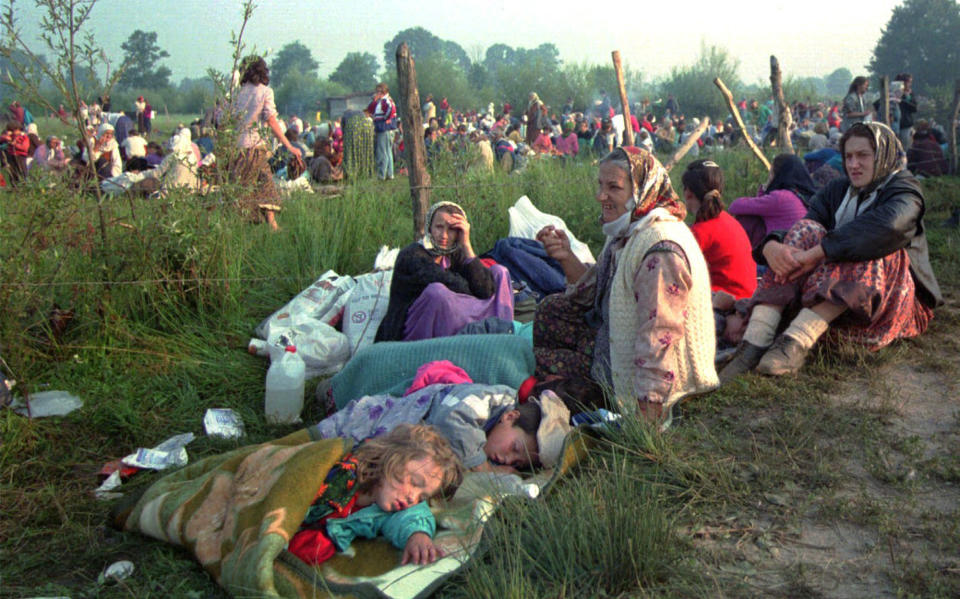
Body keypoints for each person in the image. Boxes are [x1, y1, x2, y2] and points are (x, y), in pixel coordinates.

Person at [720, 122, 942, 381]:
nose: (853, 164)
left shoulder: (905, 189)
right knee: (806, 229)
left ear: (883, 155)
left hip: (889, 307)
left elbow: (889, 226)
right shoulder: (839, 190)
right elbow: (806, 224)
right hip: (838, 306)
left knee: (874, 244)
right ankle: (755, 342)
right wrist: (771, 246)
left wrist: (819, 252)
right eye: (848, 156)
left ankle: (795, 342)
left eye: (863, 155)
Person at [533, 147, 718, 423]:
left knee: (544, 392)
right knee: (550, 312)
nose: (600, 196)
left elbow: (660, 335)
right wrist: (565, 255)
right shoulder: (628, 229)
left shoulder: (661, 250)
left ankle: (601, 388)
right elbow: (596, 294)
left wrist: (646, 417)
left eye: (613, 188)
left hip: (657, 375)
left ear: (641, 191)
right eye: (600, 185)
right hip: (618, 342)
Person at [288, 424, 463, 566]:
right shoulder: (340, 475)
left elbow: (414, 515)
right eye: (415, 482)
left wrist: (418, 535)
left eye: (422, 496)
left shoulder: (389, 507)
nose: (413, 497)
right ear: (392, 458)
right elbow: (289, 493)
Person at [310, 385, 571, 473]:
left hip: (380, 450)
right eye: (515, 448)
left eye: (518, 462)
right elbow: (452, 418)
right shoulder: (489, 400)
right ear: (510, 417)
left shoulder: (488, 433)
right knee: (310, 448)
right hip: (365, 422)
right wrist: (484, 467)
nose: (509, 459)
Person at [375, 201, 514, 342]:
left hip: (453, 314)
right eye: (439, 227)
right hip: (413, 329)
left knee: (499, 272)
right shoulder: (412, 256)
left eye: (452, 229)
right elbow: (451, 284)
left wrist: (466, 245)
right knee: (437, 292)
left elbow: (485, 289)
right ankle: (451, 347)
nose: (444, 235)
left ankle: (501, 336)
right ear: (429, 228)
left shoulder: (454, 253)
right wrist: (473, 288)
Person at [230, 55, 302, 231]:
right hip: (255, 147)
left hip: (238, 147)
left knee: (252, 183)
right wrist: (289, 145)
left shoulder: (236, 93)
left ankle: (269, 224)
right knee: (262, 183)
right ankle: (264, 224)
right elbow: (271, 121)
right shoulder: (264, 92)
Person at [682, 160, 757, 300]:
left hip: (728, 300)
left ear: (688, 193)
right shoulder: (728, 219)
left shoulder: (700, 231)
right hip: (748, 295)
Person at [727, 154, 815, 249]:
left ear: (778, 175)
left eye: (771, 173)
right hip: (803, 253)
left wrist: (765, 186)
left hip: (782, 255)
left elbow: (735, 206)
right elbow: (760, 206)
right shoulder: (800, 195)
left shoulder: (780, 198)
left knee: (748, 219)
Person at [367, 82, 397, 180]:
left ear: (383, 92)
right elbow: (370, 110)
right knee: (388, 152)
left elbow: (391, 109)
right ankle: (389, 173)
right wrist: (375, 101)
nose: (377, 93)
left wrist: (386, 118)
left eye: (379, 91)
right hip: (384, 128)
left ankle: (381, 174)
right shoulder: (381, 101)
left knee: (382, 152)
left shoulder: (386, 100)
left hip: (384, 128)